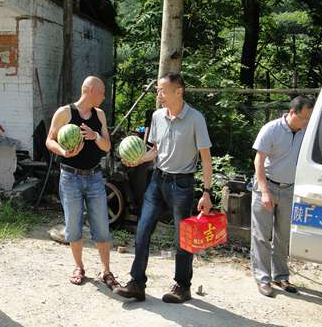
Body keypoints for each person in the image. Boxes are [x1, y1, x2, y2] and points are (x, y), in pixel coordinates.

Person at [114, 72, 213, 303]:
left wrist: (207, 193)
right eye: (157, 90)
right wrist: (139, 160)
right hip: (157, 180)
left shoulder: (195, 119)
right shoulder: (157, 116)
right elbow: (156, 150)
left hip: (182, 184)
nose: (158, 94)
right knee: (142, 229)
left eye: (162, 90)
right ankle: (137, 283)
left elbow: (206, 159)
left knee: (182, 238)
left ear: (178, 92)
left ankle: (182, 286)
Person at [45, 76, 119, 289]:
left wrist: (95, 136)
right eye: (102, 92)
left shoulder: (99, 115)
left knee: (102, 227)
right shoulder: (64, 113)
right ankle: (79, 267)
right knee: (73, 226)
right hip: (70, 177)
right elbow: (49, 140)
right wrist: (64, 151)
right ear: (89, 90)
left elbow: (107, 147)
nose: (104, 97)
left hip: (94, 177)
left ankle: (106, 270)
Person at [250, 96, 313, 297]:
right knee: (261, 235)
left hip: (290, 189)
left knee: (283, 236)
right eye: (303, 118)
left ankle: (281, 276)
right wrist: (264, 192)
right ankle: (263, 279)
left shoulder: (306, 131)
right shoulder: (271, 129)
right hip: (267, 185)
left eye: (309, 118)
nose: (306, 122)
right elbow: (259, 161)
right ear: (292, 112)